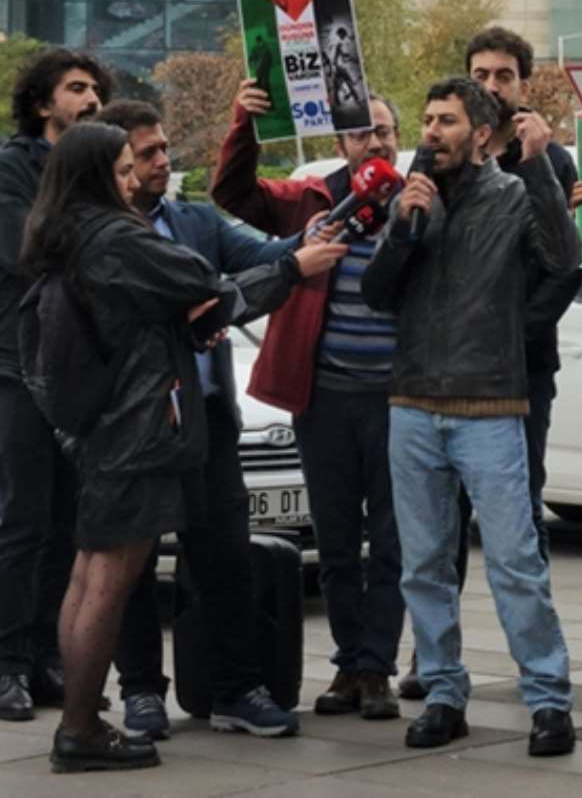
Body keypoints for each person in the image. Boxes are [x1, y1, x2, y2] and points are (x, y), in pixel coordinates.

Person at [19, 122, 309, 773]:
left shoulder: (62, 234)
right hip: (141, 430)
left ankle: (83, 718)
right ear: (97, 175)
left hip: (100, 430)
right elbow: (202, 282)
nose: (135, 179)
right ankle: (82, 729)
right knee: (111, 583)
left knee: (88, 574)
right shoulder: (118, 237)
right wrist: (290, 267)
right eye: (125, 167)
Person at [102, 100, 343, 740]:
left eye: (162, 149)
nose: (162, 162)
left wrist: (318, 229)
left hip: (209, 420)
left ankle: (238, 687)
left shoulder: (196, 221)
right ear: (116, 162)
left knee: (228, 560)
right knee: (133, 565)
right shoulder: (102, 236)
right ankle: (141, 694)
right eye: (147, 153)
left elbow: (270, 255)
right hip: (141, 424)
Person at [361, 78, 579, 757]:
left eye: (446, 121)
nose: (429, 132)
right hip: (413, 404)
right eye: (426, 119)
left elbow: (564, 261)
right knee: (422, 563)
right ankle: (445, 693)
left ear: (481, 135)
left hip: (489, 404)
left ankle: (548, 700)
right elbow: (376, 295)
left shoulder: (514, 195)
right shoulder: (412, 197)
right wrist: (402, 226)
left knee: (514, 560)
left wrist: (540, 166)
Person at [212, 81, 409, 723]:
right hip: (321, 399)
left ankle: (378, 667)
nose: (373, 141)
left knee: (390, 542)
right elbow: (233, 194)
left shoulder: (419, 202)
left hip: (396, 401)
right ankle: (349, 665)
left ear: (397, 140)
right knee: (336, 540)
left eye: (382, 131)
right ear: (339, 143)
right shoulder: (314, 200)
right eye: (360, 132)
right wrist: (245, 120)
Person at [410, 27, 582, 701]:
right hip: (436, 379)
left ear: (523, 85)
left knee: (517, 524)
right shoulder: (436, 160)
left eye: (504, 74)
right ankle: (434, 664)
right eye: (479, 72)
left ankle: (537, 665)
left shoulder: (549, 161)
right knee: (434, 532)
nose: (491, 84)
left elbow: (562, 268)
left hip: (519, 371)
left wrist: (509, 333)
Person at [0, 48, 110, 722]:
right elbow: (25, 250)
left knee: (68, 521)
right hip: (16, 365)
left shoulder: (94, 174)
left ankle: (43, 657)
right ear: (44, 104)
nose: (91, 98)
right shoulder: (13, 168)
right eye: (76, 88)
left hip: (78, 371)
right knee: (21, 519)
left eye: (97, 88)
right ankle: (5, 661)